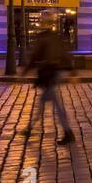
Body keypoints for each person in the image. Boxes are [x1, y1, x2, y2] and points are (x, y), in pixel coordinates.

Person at [21, 11, 76, 145]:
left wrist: (26, 71)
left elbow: (35, 56)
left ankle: (68, 132)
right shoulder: (56, 37)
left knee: (55, 105)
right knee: (43, 103)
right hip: (54, 73)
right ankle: (30, 127)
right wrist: (72, 71)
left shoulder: (43, 37)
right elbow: (65, 54)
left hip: (49, 74)